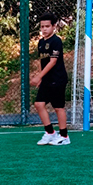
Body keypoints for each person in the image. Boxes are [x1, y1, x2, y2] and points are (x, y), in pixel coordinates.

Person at [31, 12, 70, 145]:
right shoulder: (41, 42)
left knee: (58, 107)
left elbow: (52, 62)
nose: (44, 29)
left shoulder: (56, 41)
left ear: (54, 26)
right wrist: (41, 77)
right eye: (42, 26)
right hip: (46, 80)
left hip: (57, 79)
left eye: (47, 26)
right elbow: (42, 61)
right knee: (39, 104)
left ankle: (64, 136)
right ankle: (50, 133)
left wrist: (38, 77)